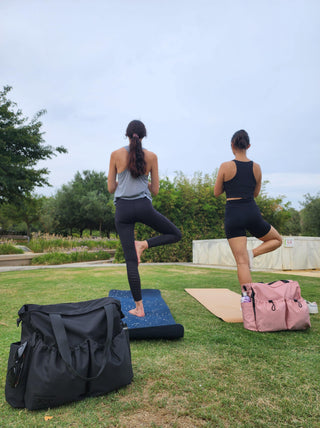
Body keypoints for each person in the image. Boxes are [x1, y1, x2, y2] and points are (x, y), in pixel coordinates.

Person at [108, 120, 182, 317]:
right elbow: (155, 190)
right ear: (143, 136)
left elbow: (110, 188)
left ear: (127, 134)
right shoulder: (152, 157)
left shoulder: (115, 155)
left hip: (122, 209)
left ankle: (139, 308)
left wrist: (120, 181)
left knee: (131, 262)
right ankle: (144, 244)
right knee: (175, 234)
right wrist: (145, 182)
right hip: (143, 207)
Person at [214, 129, 282, 286]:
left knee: (242, 263)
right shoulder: (256, 168)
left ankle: (248, 301)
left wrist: (229, 184)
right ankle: (252, 254)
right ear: (249, 145)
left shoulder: (225, 166)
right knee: (277, 239)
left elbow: (217, 192)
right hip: (251, 211)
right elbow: (256, 193)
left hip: (233, 213)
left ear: (231, 145)